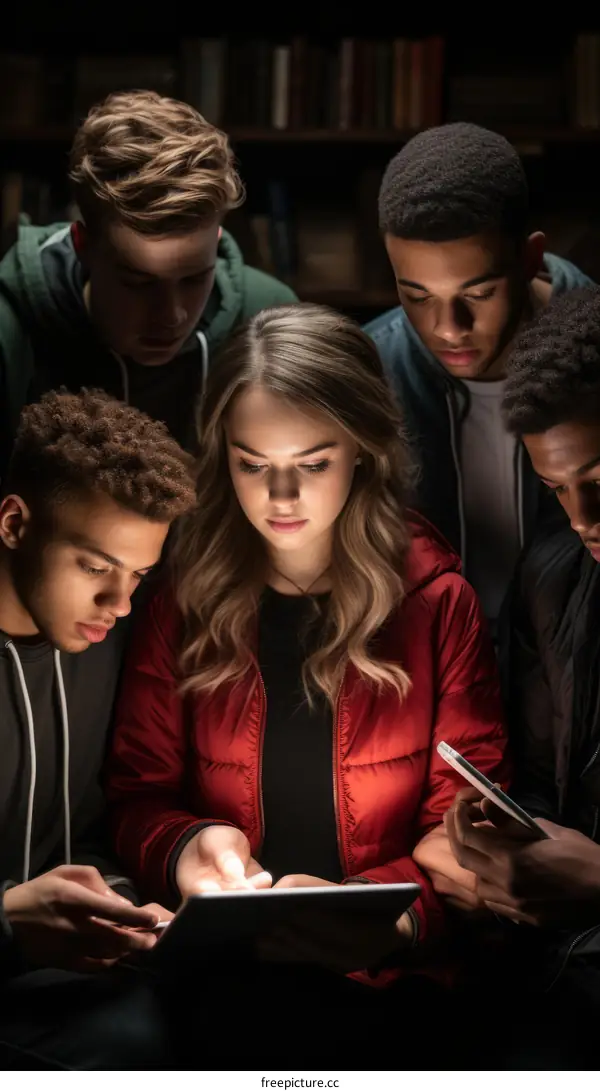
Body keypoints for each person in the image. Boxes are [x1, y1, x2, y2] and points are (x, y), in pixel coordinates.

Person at [107, 302, 508, 1067]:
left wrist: (390, 921)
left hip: (396, 990)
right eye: (251, 463)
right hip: (220, 988)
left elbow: (471, 825)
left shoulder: (435, 602)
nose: (279, 496)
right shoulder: (181, 597)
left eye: (312, 463)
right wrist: (190, 846)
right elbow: (136, 793)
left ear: (363, 449)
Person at [417, 287, 600, 1067]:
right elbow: (535, 782)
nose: (584, 516)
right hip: (557, 977)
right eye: (557, 490)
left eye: (598, 477)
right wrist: (492, 847)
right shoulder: (554, 575)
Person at [0, 388, 197, 1070]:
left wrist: (122, 902)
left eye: (139, 573)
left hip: (77, 983)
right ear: (15, 523)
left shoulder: (102, 641)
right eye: (95, 567)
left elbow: (86, 826)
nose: (120, 604)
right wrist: (7, 923)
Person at [0, 89, 297, 482]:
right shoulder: (9, 329)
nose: (171, 314)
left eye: (194, 278)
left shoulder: (269, 319)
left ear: (218, 237)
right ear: (81, 246)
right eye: (138, 283)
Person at [364, 122, 592, 633]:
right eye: (417, 296)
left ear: (529, 258)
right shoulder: (366, 376)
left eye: (479, 294)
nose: (449, 329)